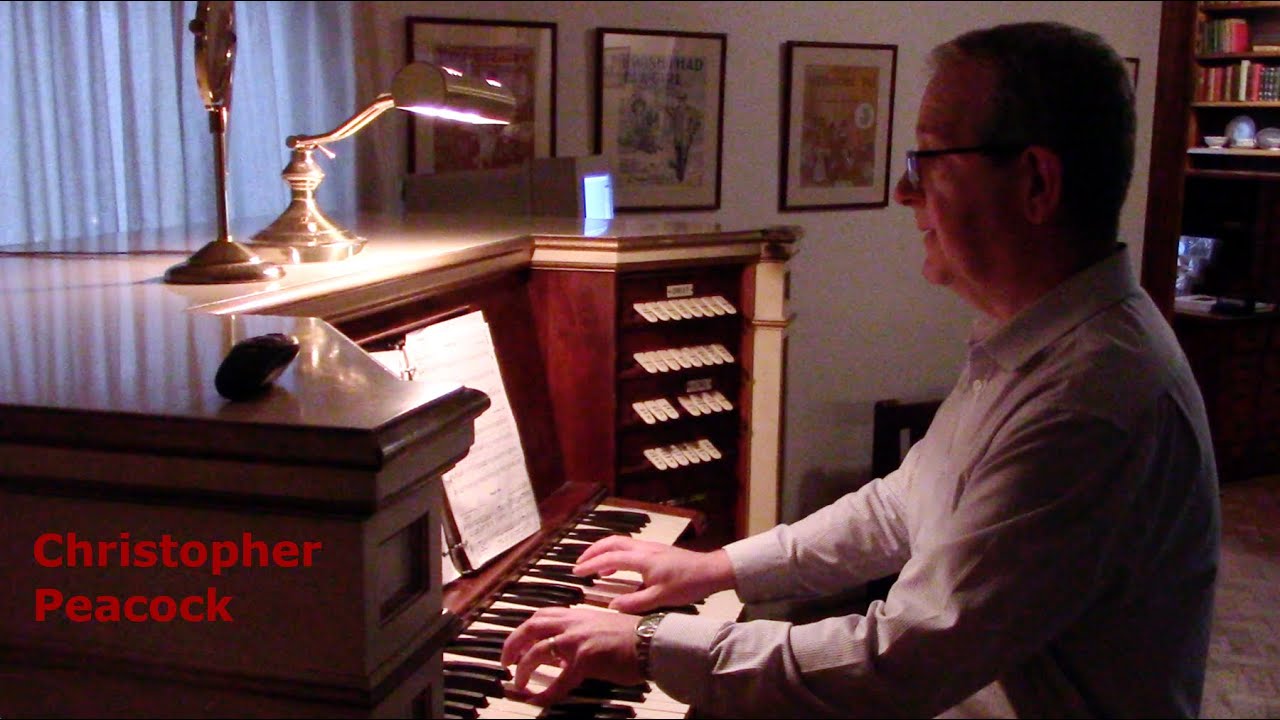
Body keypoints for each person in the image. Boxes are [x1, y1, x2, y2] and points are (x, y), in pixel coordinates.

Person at [501, 21, 1221, 718]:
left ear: (1036, 182)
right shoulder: (1031, 344)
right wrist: (715, 568)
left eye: (928, 160)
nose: (905, 193)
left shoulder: (1091, 402)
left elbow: (897, 663)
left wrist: (651, 645)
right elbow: (903, 504)